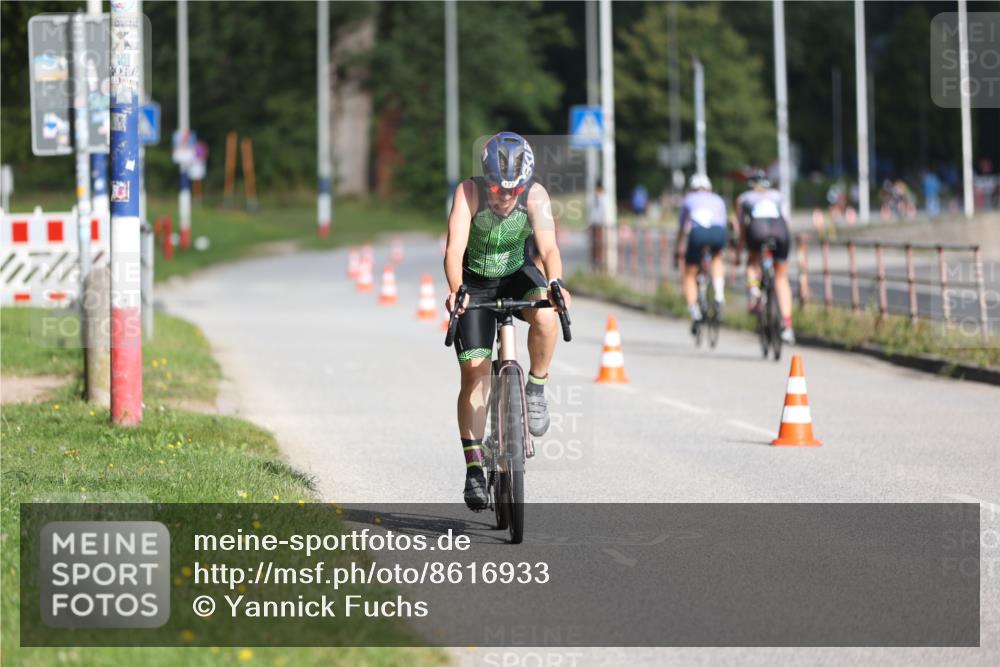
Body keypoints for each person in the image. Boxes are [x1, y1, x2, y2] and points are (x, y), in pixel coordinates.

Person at [443, 132, 571, 510]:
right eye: (498, 187)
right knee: (476, 375)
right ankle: (474, 469)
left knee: (547, 313)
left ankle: (535, 387)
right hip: (475, 283)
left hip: (517, 273)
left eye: (513, 190)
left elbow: (548, 248)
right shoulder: (468, 194)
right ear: (486, 178)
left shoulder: (536, 196)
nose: (504, 196)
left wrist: (556, 283)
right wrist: (455, 288)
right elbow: (453, 249)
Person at [735, 169, 795, 344]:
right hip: (780, 231)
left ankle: (754, 294)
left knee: (753, 262)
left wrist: (740, 250)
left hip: (758, 230)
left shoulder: (744, 198)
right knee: (781, 277)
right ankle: (787, 325)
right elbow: (787, 221)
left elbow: (742, 228)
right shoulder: (778, 196)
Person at [675, 173, 727, 334]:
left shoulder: (688, 199)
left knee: (690, 274)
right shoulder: (718, 199)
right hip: (717, 232)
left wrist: (678, 249)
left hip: (698, 234)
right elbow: (723, 223)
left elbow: (683, 228)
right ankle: (719, 294)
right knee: (717, 258)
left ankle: (695, 313)